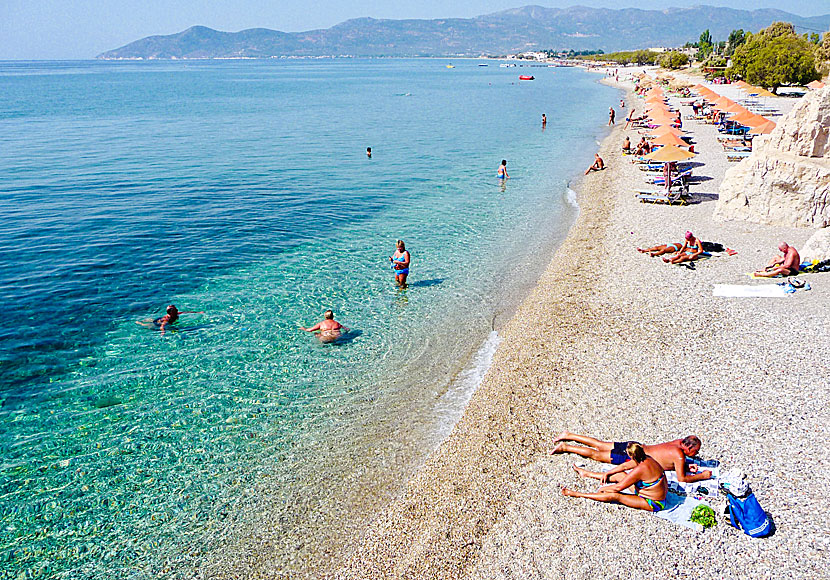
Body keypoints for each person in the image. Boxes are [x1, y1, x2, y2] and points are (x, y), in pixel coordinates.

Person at [552, 432, 712, 484]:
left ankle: (569, 435)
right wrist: (702, 476)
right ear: (688, 447)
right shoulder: (679, 456)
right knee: (596, 455)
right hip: (634, 456)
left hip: (635, 445)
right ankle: (566, 447)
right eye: (695, 452)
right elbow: (682, 479)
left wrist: (685, 466)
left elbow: (666, 458)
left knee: (599, 444)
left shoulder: (677, 443)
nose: (696, 455)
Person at [561, 442, 668, 513]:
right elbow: (625, 466)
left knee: (615, 496)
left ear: (631, 456)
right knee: (619, 475)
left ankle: (577, 494)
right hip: (645, 491)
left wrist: (604, 489)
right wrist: (607, 473)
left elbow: (618, 488)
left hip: (653, 502)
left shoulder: (640, 469)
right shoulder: (646, 458)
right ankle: (587, 474)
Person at [137, 304, 204, 336]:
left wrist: (197, 312)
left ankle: (145, 320)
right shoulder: (168, 319)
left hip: (160, 320)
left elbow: (185, 312)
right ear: (171, 312)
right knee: (147, 325)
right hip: (159, 323)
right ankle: (139, 323)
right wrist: (162, 332)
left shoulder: (176, 314)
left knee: (152, 320)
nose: (177, 310)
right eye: (175, 309)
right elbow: (162, 326)